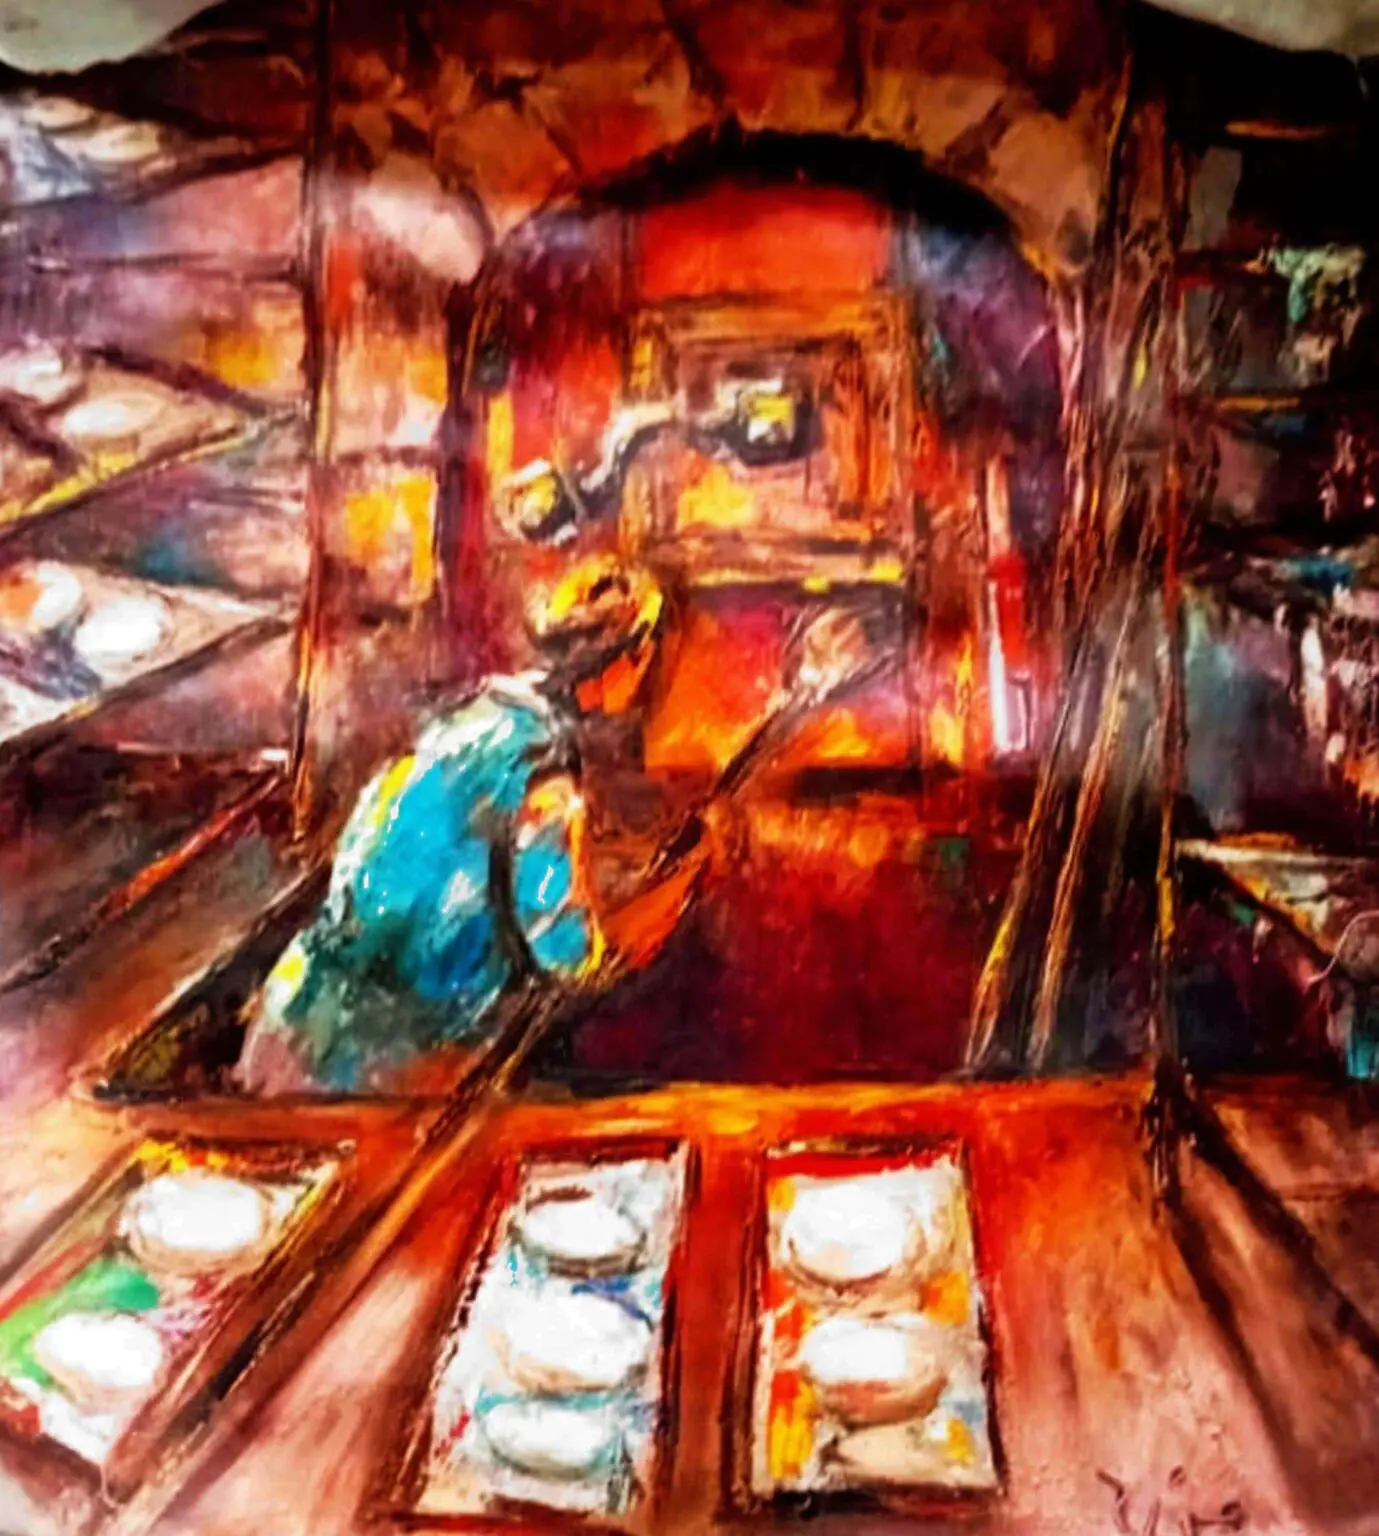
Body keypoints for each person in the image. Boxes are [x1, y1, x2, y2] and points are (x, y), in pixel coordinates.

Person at [236, 555, 698, 1095]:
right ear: (626, 658)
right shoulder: (544, 777)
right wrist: (666, 898)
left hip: (288, 1024)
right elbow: (568, 956)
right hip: (362, 1076)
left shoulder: (471, 718)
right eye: (645, 653)